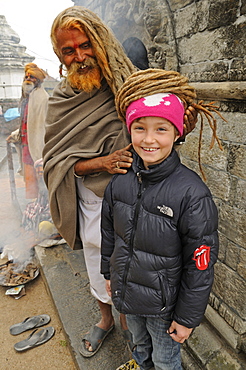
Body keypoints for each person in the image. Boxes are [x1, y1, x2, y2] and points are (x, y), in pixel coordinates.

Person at [43, 6, 197, 358]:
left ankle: (130, 324)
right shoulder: (60, 101)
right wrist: (103, 162)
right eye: (69, 50)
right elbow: (57, 162)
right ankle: (105, 319)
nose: (80, 56)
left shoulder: (127, 85)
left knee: (131, 264)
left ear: (99, 42)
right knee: (98, 262)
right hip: (91, 200)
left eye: (85, 45)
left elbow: (153, 134)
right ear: (59, 55)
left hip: (133, 196)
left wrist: (179, 130)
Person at [101, 69, 220, 370]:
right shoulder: (119, 182)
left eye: (161, 129)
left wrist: (187, 317)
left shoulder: (192, 193)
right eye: (139, 128)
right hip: (127, 291)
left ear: (178, 132)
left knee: (166, 360)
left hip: (164, 307)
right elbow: (109, 233)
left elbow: (200, 264)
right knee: (139, 346)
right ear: (129, 130)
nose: (149, 139)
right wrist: (108, 273)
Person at [6, 63, 49, 199]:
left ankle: (42, 212)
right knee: (30, 184)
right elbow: (27, 124)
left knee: (43, 187)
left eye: (32, 77)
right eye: (26, 77)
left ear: (39, 80)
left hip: (38, 148)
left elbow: (42, 126)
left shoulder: (43, 98)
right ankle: (31, 211)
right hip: (26, 147)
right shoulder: (27, 99)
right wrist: (15, 135)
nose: (29, 80)